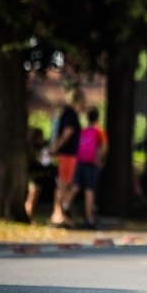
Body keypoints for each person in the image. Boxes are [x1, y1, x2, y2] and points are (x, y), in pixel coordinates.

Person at [66, 107, 108, 229]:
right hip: (92, 163)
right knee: (90, 190)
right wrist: (101, 160)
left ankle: (65, 205)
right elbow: (104, 147)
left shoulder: (83, 130)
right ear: (97, 117)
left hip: (80, 161)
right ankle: (90, 218)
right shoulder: (99, 131)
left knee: (76, 186)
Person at [49, 89, 85, 228]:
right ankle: (58, 213)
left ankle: (61, 212)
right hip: (67, 154)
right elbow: (67, 133)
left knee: (68, 184)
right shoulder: (70, 114)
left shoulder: (69, 113)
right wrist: (56, 148)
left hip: (69, 154)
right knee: (63, 184)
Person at [24, 127, 53, 222]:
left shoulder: (38, 148)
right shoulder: (33, 149)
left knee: (34, 198)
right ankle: (28, 215)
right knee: (31, 197)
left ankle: (30, 215)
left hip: (38, 177)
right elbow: (37, 161)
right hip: (34, 176)